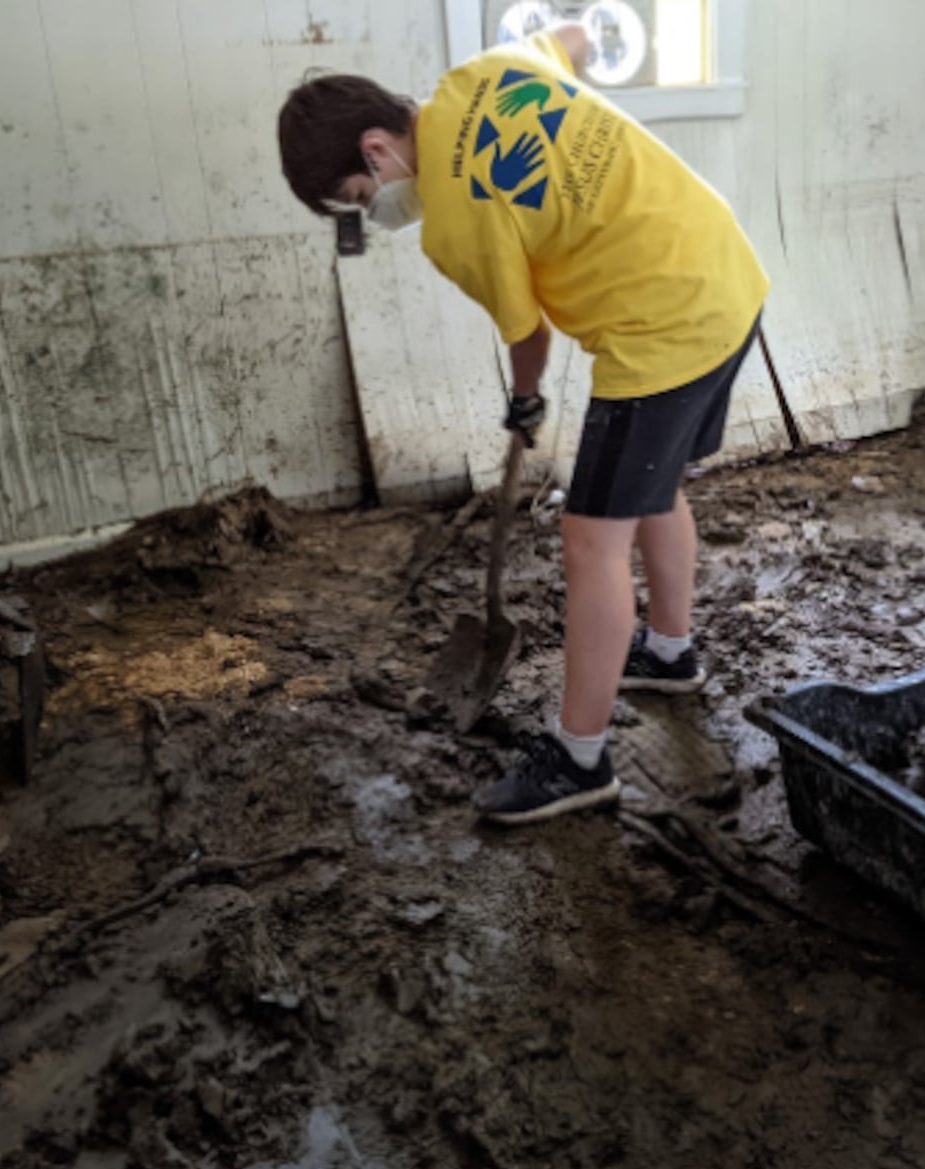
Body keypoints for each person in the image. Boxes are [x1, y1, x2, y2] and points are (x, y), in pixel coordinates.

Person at [277, 23, 768, 825]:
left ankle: (579, 759)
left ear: (376, 150)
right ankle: (671, 653)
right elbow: (575, 38)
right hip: (724, 271)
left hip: (662, 328)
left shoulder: (454, 220)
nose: (382, 211)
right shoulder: (491, 68)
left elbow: (527, 333)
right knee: (653, 487)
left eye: (366, 198)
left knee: (589, 538)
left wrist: (526, 400)